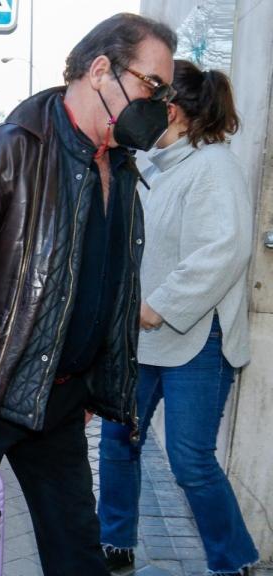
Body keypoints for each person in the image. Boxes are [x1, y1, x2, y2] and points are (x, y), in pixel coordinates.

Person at [0, 13, 177, 576]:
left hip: (60, 400)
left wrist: (98, 382)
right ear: (102, 70)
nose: (160, 103)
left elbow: (111, 285)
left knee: (78, 551)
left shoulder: (122, 167)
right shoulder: (3, 152)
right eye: (153, 85)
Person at [96, 60, 259, 576]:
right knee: (118, 442)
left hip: (197, 341)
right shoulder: (156, 167)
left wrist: (158, 305)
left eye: (152, 100)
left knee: (191, 462)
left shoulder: (214, 167)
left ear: (177, 113)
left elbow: (223, 251)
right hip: (141, 340)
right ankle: (114, 541)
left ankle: (233, 561)